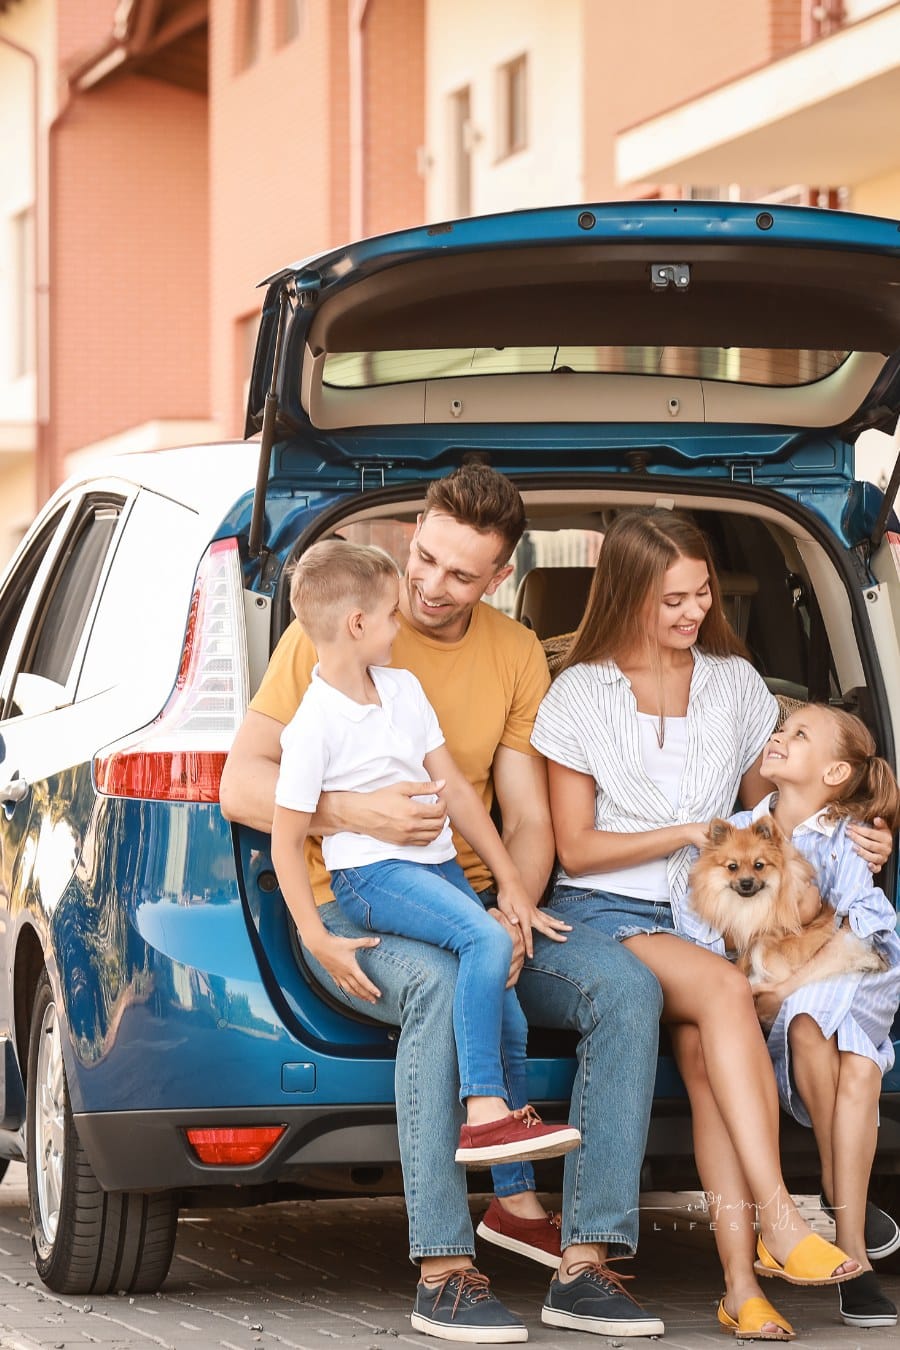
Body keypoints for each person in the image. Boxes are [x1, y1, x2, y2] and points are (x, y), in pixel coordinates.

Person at [220, 464, 667, 1342]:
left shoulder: (513, 653)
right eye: (423, 559)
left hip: (466, 897)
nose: (430, 587)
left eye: (461, 575)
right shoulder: (338, 633)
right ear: (413, 532)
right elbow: (241, 783)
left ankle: (584, 1259)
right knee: (434, 982)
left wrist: (516, 904)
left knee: (626, 989)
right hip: (357, 908)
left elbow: (528, 814)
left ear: (499, 576)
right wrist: (351, 811)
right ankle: (445, 1269)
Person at [531, 508, 893, 1343]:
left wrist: (860, 827)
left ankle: (740, 1288)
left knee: (703, 1056)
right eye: (672, 600)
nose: (693, 612)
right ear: (625, 595)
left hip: (715, 920)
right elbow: (577, 852)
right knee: (727, 993)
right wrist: (689, 833)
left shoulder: (735, 684)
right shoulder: (578, 696)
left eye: (701, 594)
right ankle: (780, 1221)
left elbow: (774, 808)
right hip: (611, 911)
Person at [270, 538, 580, 1169]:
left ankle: (512, 1186)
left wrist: (509, 881)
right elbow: (284, 838)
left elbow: (459, 792)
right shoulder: (313, 725)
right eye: (391, 615)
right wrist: (315, 935)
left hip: (435, 865)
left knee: (509, 1016)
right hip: (371, 875)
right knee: (488, 944)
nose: (400, 623)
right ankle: (485, 1114)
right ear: (358, 626)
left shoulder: (404, 688)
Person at [725, 704, 900, 1330]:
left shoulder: (848, 835)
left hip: (857, 968)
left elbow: (866, 933)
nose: (779, 735)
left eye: (798, 734)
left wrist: (793, 982)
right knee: (854, 1068)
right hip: (795, 991)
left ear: (833, 772)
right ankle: (850, 1229)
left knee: (806, 1018)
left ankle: (846, 1233)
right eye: (780, 727)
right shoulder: (742, 835)